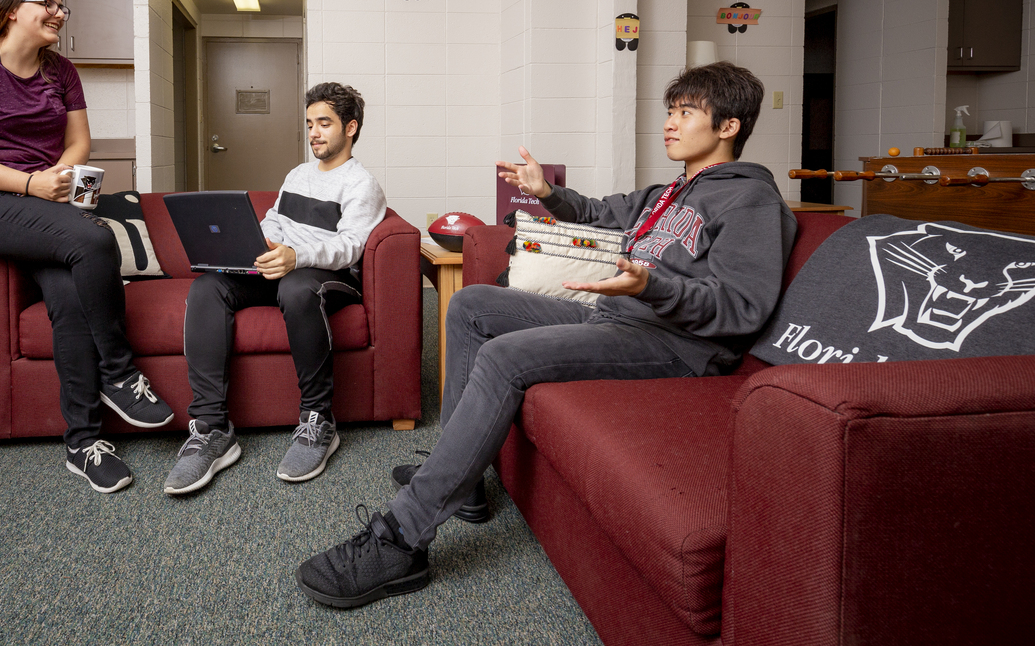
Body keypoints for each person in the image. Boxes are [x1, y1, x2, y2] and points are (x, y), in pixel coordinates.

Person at [295, 61, 797, 608]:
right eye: (670, 112)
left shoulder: (751, 201)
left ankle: (401, 539)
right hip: (621, 318)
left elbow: (741, 307)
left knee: (506, 357)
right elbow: (599, 212)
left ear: (728, 126)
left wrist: (652, 288)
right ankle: (464, 479)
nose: (670, 124)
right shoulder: (669, 192)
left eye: (686, 113)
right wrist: (546, 192)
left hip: (678, 345)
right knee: (470, 305)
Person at [0, 0, 172, 494]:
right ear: (12, 7)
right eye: (49, 4)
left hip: (45, 198)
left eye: (63, 8)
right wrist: (29, 184)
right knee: (92, 238)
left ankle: (83, 444)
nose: (59, 14)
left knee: (67, 294)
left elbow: (80, 141)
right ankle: (118, 371)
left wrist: (59, 178)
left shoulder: (60, 71)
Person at [164, 83, 387, 495]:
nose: (314, 132)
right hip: (281, 263)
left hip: (324, 276)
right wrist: (262, 243)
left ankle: (318, 421)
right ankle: (212, 429)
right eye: (309, 124)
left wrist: (294, 256)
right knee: (208, 287)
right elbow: (274, 219)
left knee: (298, 290)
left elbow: (350, 246)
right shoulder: (298, 174)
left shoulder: (361, 184)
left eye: (325, 123)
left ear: (351, 127)